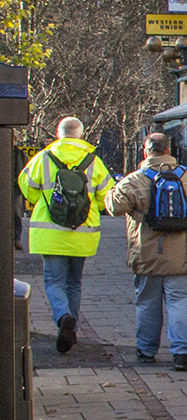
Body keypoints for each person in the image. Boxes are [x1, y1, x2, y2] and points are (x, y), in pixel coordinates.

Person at [105, 133, 187, 370]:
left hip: (148, 254)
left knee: (147, 302)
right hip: (184, 254)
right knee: (180, 302)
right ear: (169, 150)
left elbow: (114, 206)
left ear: (145, 152)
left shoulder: (135, 179)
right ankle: (181, 353)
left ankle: (146, 351)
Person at [17, 117, 115, 353]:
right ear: (81, 134)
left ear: (57, 133)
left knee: (53, 281)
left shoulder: (44, 158)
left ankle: (63, 319)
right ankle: (73, 329)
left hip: (49, 233)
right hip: (83, 232)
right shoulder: (94, 162)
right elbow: (107, 196)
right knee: (74, 282)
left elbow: (26, 186)